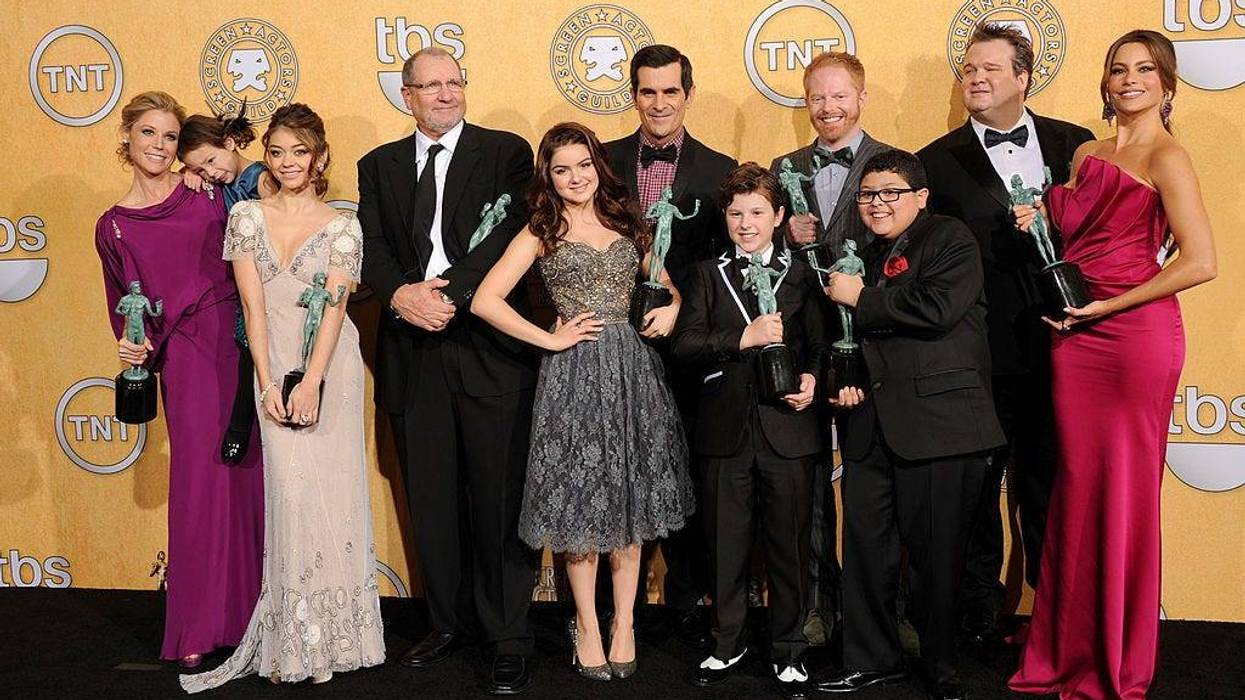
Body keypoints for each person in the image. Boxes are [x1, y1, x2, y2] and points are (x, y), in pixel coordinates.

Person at [1009, 30, 1216, 700]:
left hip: (1134, 341)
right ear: (1103, 82)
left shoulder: (1168, 154)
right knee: (1075, 490)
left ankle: (1115, 661)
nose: (1128, 80)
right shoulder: (1087, 151)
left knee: (1122, 496)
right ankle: (1064, 654)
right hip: (1076, 338)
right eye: (1117, 69)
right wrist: (1038, 223)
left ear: (1166, 83)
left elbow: (1198, 260)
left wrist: (1110, 307)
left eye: (1143, 70)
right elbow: (1080, 236)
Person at [471, 121, 694, 683]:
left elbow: (668, 287)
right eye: (561, 168)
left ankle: (625, 624)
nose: (575, 177)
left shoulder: (628, 221)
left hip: (632, 371)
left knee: (628, 500)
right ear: (548, 175)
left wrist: (670, 307)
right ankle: (588, 625)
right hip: (572, 374)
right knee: (580, 502)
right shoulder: (541, 229)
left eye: (583, 165)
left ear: (599, 166)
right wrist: (549, 337)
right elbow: (485, 300)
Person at [180, 102, 385, 691]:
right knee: (291, 499)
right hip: (272, 363)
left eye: (300, 152)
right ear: (264, 155)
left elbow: (337, 307)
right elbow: (252, 306)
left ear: (319, 159)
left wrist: (313, 381)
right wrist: (269, 381)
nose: (288, 162)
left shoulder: (344, 225)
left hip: (332, 368)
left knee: (333, 495)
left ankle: (337, 639)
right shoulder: (244, 216)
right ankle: (295, 640)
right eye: (277, 151)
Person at [357, 46, 539, 694]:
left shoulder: (505, 152)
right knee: (431, 500)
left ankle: (508, 634)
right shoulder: (376, 166)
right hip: (413, 353)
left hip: (489, 349)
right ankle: (446, 621)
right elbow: (370, 246)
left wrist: (448, 293)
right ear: (405, 95)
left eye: (453, 83)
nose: (444, 94)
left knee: (498, 501)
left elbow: (510, 233)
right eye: (429, 85)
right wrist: (400, 295)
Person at [917, 21, 1095, 643]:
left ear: (1024, 77)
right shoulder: (934, 162)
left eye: (991, 68)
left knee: (1051, 485)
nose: (977, 77)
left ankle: (1056, 618)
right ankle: (977, 618)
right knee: (975, 491)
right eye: (969, 68)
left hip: (1066, 346)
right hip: (977, 356)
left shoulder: (1078, 145)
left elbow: (1103, 240)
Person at [817, 150, 1005, 700]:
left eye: (890, 193)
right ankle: (871, 659)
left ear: (920, 197)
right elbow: (853, 338)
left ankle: (941, 668)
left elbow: (938, 308)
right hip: (871, 424)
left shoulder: (949, 239)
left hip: (940, 427)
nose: (877, 203)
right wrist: (841, 378)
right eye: (869, 194)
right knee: (868, 550)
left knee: (937, 556)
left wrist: (863, 298)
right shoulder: (865, 255)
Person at [93, 91, 263, 669]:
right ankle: (197, 626)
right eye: (148, 134)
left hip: (236, 347)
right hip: (184, 362)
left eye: (169, 137)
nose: (159, 147)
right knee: (198, 486)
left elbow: (264, 190)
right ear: (127, 138)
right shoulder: (112, 226)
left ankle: (251, 622)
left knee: (247, 479)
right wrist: (128, 341)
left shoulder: (208, 193)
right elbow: (123, 307)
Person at [672, 163, 827, 698]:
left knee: (788, 544)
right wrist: (744, 337)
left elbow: (824, 345)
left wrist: (811, 377)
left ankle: (789, 650)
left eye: (757, 212)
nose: (745, 223)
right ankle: (727, 642)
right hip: (724, 432)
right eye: (736, 213)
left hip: (789, 428)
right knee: (725, 545)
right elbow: (685, 343)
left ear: (779, 216)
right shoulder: (706, 272)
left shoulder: (804, 273)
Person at [603, 44, 736, 648]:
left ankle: (686, 599)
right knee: (611, 473)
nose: (659, 103)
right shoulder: (598, 162)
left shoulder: (718, 168)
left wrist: (681, 302)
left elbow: (723, 265)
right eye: (647, 92)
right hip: (607, 345)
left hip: (687, 348)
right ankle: (610, 606)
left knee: (685, 471)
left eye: (670, 92)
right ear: (633, 95)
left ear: (688, 94)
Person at [769, 50, 892, 646]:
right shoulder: (782, 165)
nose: (828, 108)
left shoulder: (896, 164)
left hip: (875, 344)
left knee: (874, 485)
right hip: (807, 348)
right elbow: (765, 263)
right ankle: (816, 606)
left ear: (862, 98)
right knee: (811, 482)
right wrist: (784, 236)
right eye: (817, 97)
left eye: (839, 96)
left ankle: (880, 612)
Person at [176, 104, 276, 466]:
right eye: (201, 169)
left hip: (273, 283)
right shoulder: (220, 184)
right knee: (250, 347)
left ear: (231, 142)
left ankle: (240, 425)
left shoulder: (259, 178)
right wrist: (190, 175)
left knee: (259, 349)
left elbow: (286, 221)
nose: (212, 173)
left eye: (212, 161)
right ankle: (243, 424)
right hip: (242, 287)